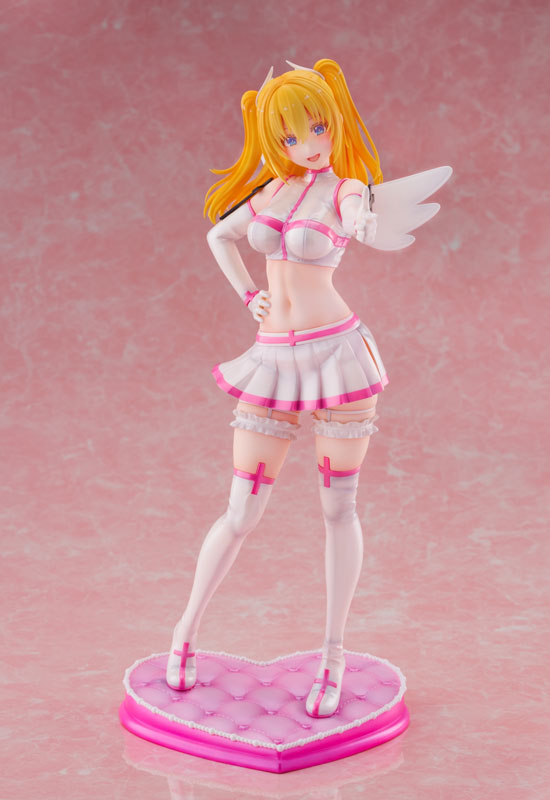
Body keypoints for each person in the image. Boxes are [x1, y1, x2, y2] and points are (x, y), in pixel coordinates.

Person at [167, 58, 410, 718]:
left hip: (339, 360)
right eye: (292, 135)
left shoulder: (346, 189)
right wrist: (248, 294)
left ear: (335, 123)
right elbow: (219, 235)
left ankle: (333, 655)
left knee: (338, 510)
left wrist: (363, 221)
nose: (308, 144)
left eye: (318, 128)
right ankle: (184, 632)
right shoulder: (270, 192)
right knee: (241, 511)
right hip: (273, 362)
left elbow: (357, 213)